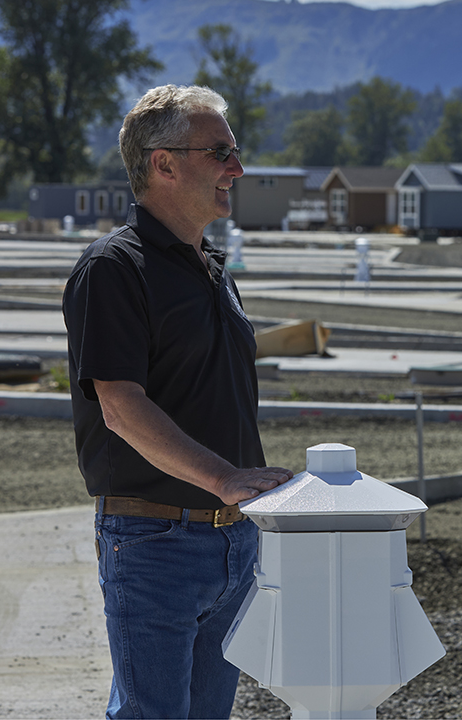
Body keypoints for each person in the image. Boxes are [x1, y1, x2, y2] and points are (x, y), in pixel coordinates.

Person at [62, 84, 294, 719]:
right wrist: (225, 477)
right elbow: (119, 405)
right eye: (219, 151)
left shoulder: (212, 268)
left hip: (231, 542)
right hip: (154, 542)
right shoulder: (114, 268)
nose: (237, 170)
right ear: (162, 163)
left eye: (235, 151)